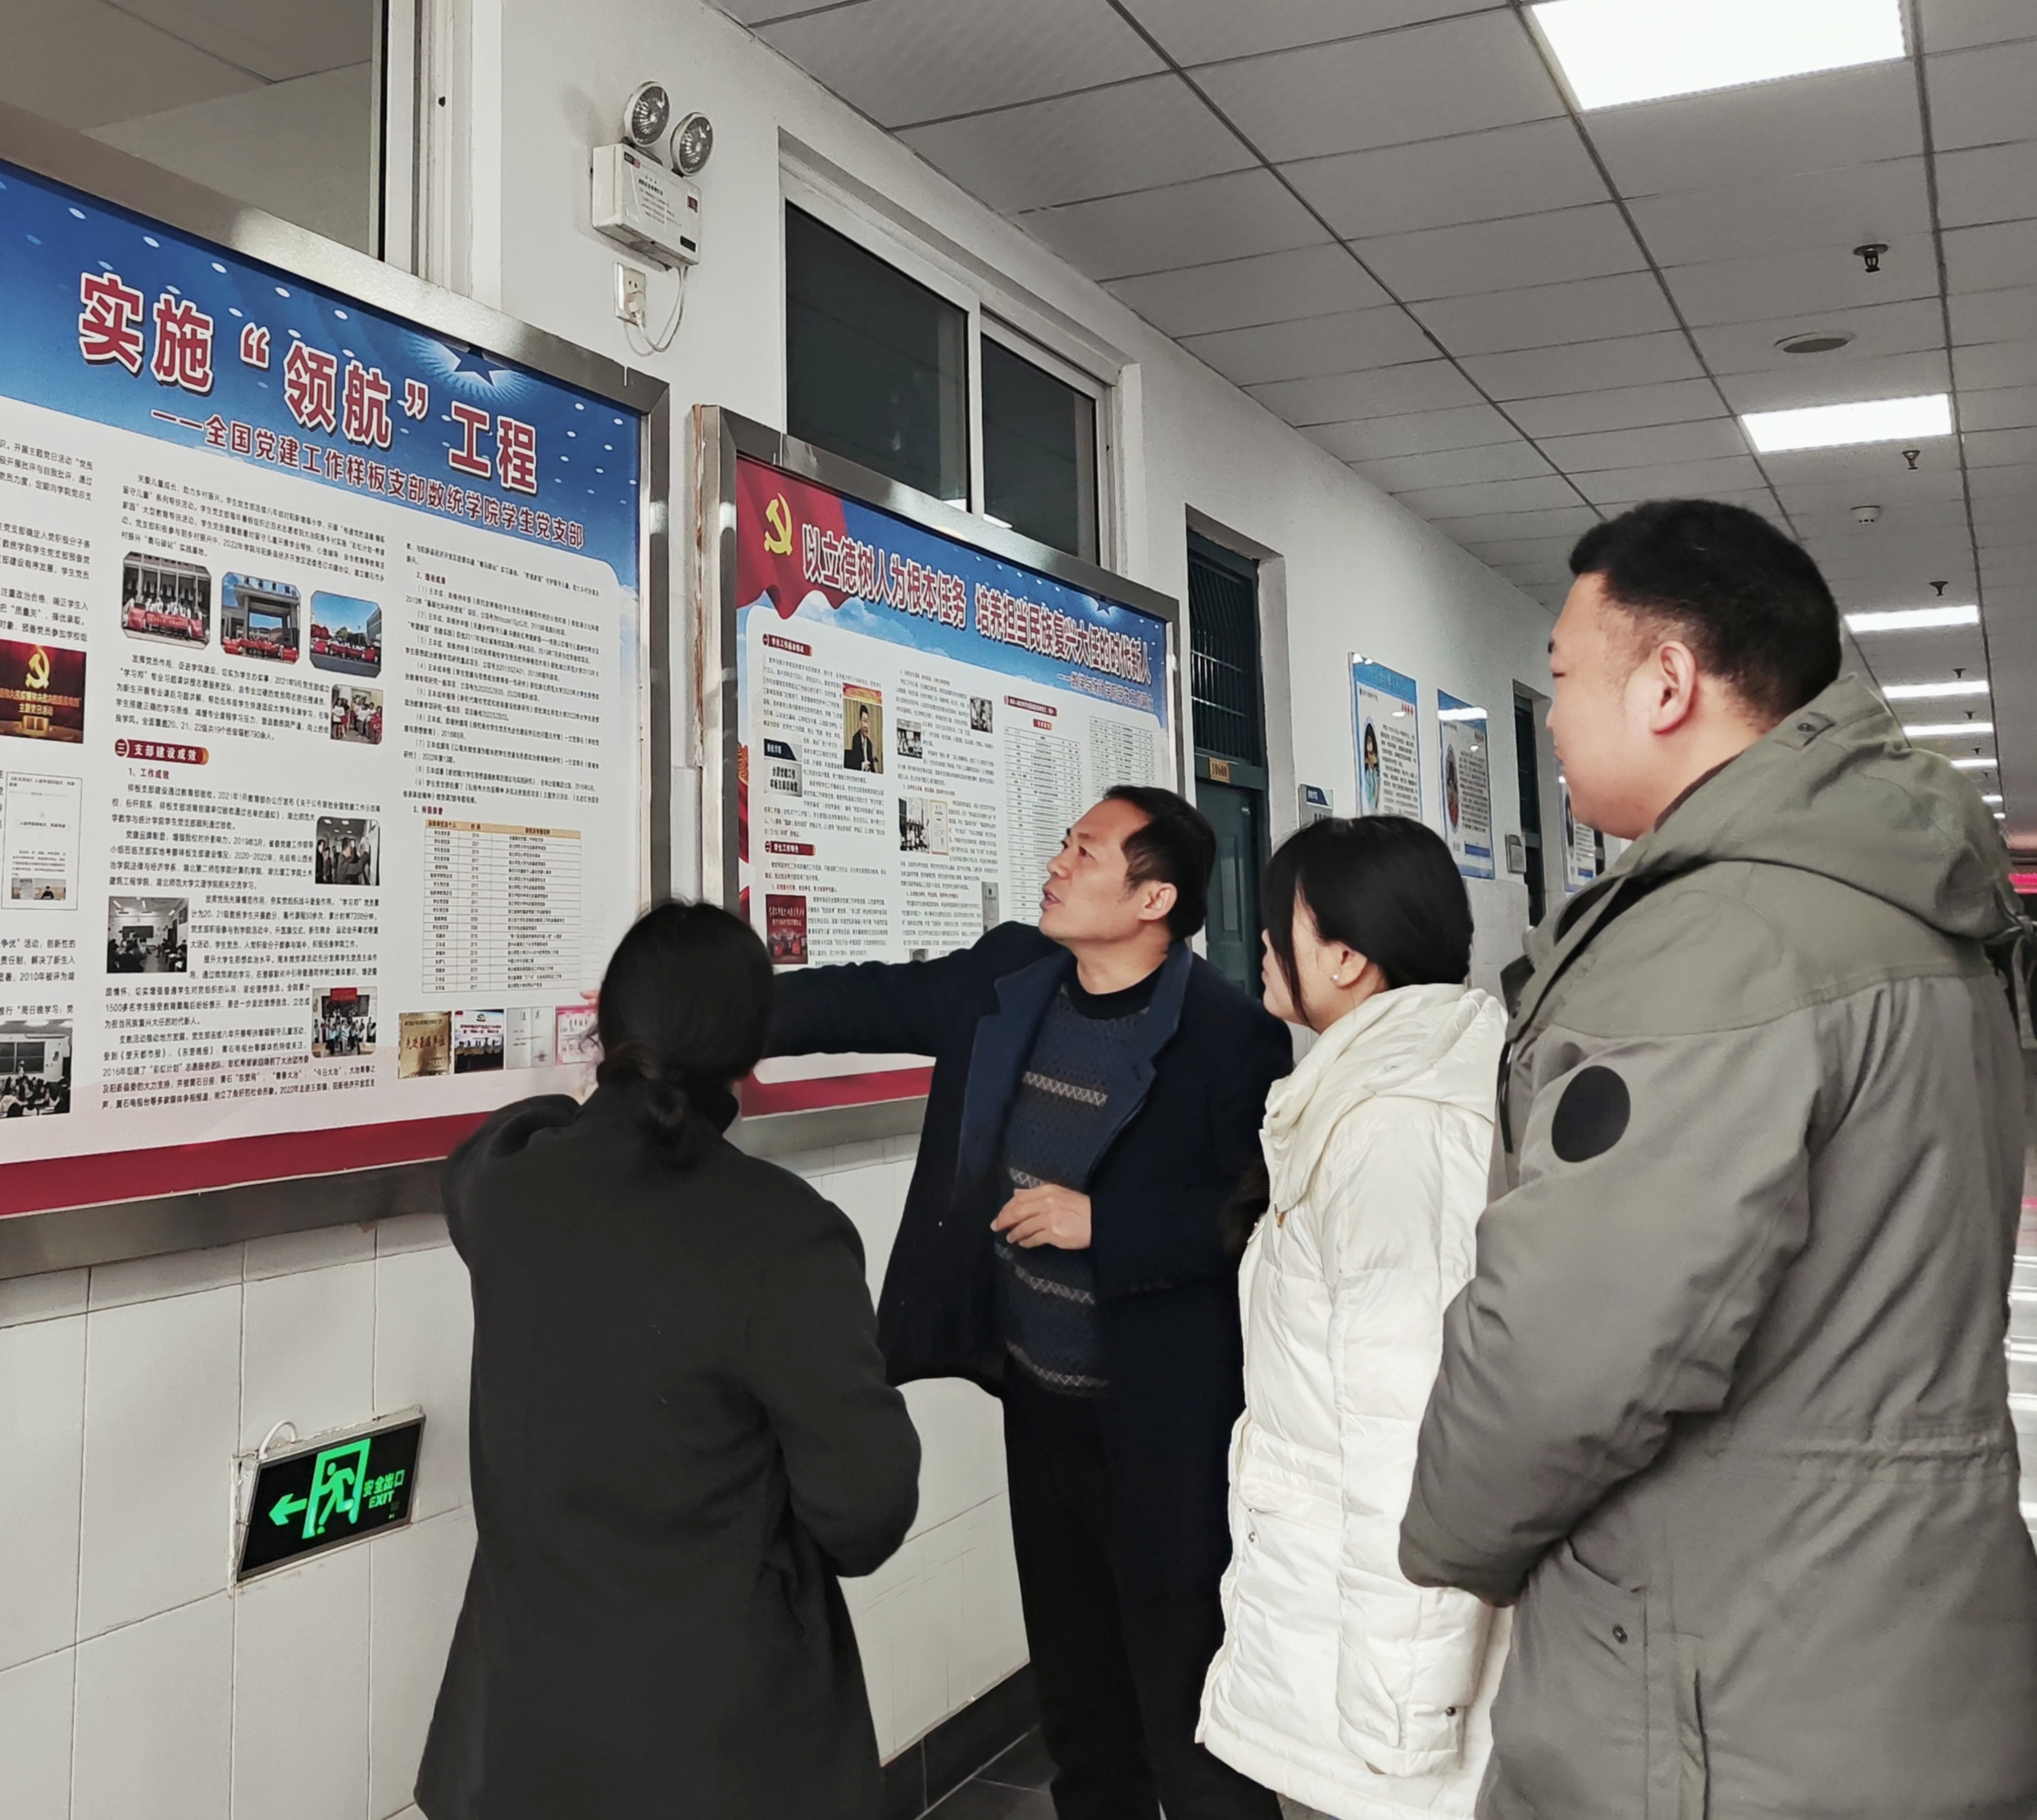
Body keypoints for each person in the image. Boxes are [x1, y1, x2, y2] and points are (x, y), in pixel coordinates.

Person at [1398, 498, 2037, 1818]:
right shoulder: (1909, 909)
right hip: (1900, 1643)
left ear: (1668, 683)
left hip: (1717, 1692)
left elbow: (1568, 1354)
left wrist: (1450, 1536)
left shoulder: (1718, 944)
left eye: (1564, 674)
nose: (1552, 714)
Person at [770, 785, 1294, 1820]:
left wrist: (1105, 1224)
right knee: (1079, 1708)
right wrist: (710, 1009)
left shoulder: (1229, 1036)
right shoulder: (1011, 977)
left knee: (1191, 1723)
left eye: (1085, 851)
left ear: (1153, 899)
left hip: (1163, 1430)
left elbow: (1250, 1216)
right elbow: (864, 1000)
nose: (1057, 864)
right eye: (1063, 844)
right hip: (1039, 1407)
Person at [416, 901, 921, 1820]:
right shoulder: (784, 1235)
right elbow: (866, 1512)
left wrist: (596, 1097)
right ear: (751, 1051)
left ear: (606, 1027)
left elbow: (490, 1146)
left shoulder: (509, 1194)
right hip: (717, 1750)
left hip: (518, 1743)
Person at [1197, 817, 1509, 1820]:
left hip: (1379, 1684)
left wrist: (1398, 1718)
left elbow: (1409, 1435)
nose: (1258, 944)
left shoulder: (1394, 1129)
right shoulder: (1381, 1090)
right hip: (1335, 1622)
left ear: (1346, 957)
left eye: (1279, 921)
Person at [844, 703, 878, 771]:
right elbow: (853, 764)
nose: (866, 726)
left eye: (867, 722)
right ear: (860, 722)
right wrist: (862, 765)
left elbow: (871, 766)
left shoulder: (869, 744)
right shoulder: (856, 739)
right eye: (864, 721)